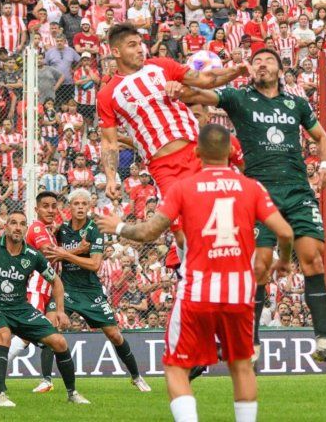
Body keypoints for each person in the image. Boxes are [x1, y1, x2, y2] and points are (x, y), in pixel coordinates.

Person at [95, 124, 294, 422]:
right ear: (230, 152)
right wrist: (284, 261)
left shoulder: (183, 187)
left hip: (198, 291)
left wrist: (118, 227)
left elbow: (150, 231)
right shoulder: (251, 188)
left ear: (197, 152)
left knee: (176, 367)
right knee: (241, 365)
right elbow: (286, 233)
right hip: (239, 292)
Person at [180, 48, 326, 364]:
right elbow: (196, 96)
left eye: (267, 60)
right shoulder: (238, 98)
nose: (261, 64)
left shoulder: (295, 103)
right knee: (259, 268)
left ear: (280, 69)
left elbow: (321, 136)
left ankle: (323, 340)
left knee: (313, 261)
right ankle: (250, 344)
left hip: (297, 193)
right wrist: (181, 86)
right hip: (259, 195)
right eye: (256, 61)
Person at [97, 23, 248, 252]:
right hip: (163, 167)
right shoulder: (108, 94)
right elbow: (109, 141)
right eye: (132, 45)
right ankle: (199, 275)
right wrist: (110, 178)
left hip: (197, 151)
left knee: (222, 208)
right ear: (116, 52)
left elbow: (205, 79)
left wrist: (237, 71)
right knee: (182, 237)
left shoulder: (160, 66)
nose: (140, 50)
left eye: (140, 44)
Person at [0, 210, 90, 407]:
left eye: (22, 224)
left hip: (21, 308)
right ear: (6, 227)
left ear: (26, 229)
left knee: (59, 342)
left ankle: (72, 393)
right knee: (3, 335)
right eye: (13, 223)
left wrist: (60, 310)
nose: (17, 227)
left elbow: (56, 281)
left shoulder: (33, 255)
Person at [43, 188, 151, 392]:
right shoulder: (61, 230)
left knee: (114, 335)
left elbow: (94, 265)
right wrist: (76, 251)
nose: (81, 207)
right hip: (65, 287)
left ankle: (136, 376)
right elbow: (50, 255)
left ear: (89, 207)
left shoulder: (94, 230)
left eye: (84, 204)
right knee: (51, 326)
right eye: (76, 204)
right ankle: (46, 380)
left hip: (91, 291)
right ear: (70, 207)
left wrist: (65, 254)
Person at [0, 191, 65, 393]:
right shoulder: (38, 228)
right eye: (45, 206)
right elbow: (50, 252)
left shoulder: (50, 229)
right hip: (35, 289)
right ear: (37, 210)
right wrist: (77, 251)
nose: (50, 210)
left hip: (46, 289)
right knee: (26, 335)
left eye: (54, 206)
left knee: (51, 332)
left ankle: (47, 379)